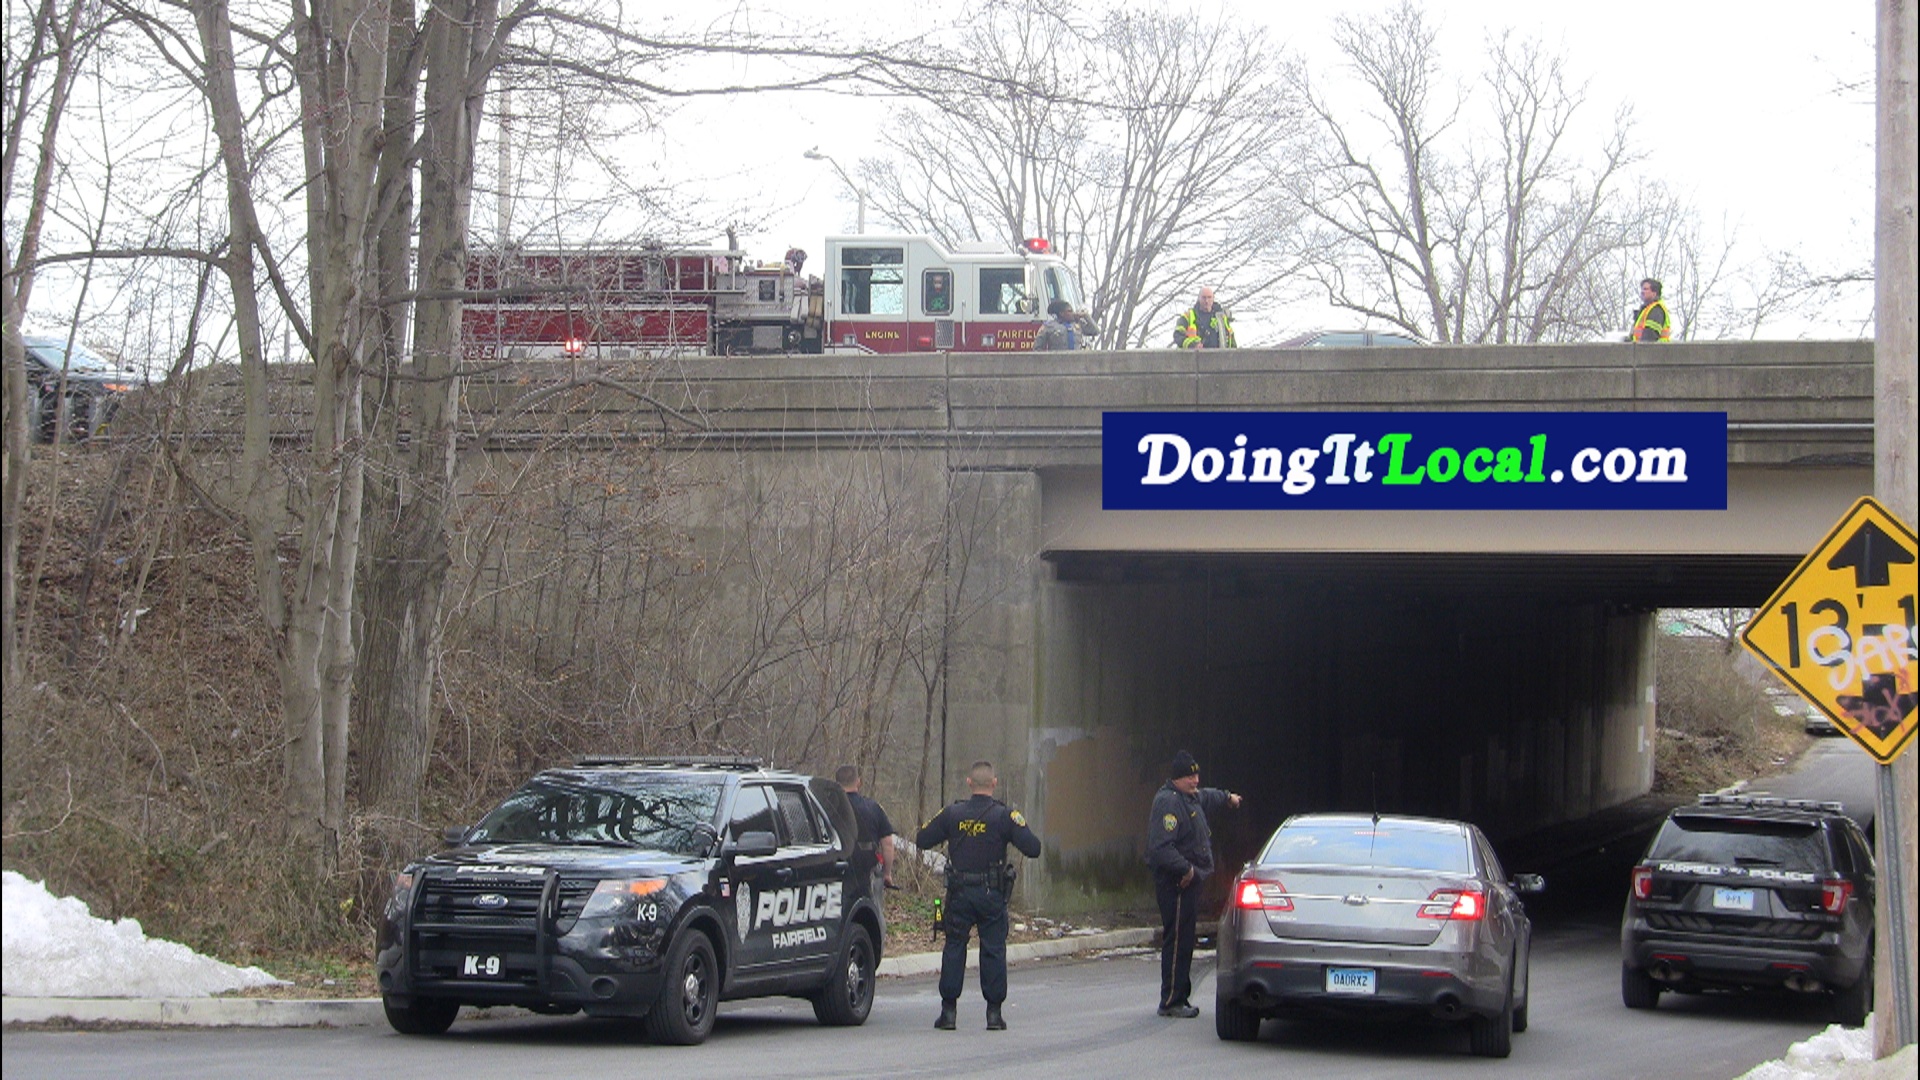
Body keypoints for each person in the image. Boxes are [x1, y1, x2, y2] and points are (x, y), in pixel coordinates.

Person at [915, 760, 1042, 1031]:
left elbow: (922, 839)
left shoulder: (952, 813)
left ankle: (948, 1013)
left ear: (969, 783)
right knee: (993, 949)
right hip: (991, 894)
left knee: (954, 947)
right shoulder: (1004, 816)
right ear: (994, 783)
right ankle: (993, 1015)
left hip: (959, 894)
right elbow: (1033, 848)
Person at [1145, 749, 1241, 1018]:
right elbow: (1160, 848)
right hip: (1176, 884)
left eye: (1197, 775)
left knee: (1186, 940)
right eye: (1190, 776)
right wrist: (1185, 868)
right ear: (1177, 778)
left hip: (1190, 883)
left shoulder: (1190, 797)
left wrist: (1228, 798)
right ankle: (1171, 1001)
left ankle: (1181, 997)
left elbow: (1208, 796)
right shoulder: (1168, 803)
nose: (1195, 781)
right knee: (1177, 942)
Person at [836, 764, 896, 892]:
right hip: (868, 872)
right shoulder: (873, 808)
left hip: (837, 871)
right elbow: (888, 844)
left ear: (836, 784)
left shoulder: (828, 807)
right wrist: (887, 874)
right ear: (858, 782)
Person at [1629, 278, 1672, 343]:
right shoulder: (1646, 310)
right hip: (1641, 348)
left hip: (1654, 349)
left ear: (1654, 293)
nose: (1642, 292)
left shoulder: (1656, 310)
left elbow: (1650, 337)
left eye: (1645, 289)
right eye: (1642, 289)